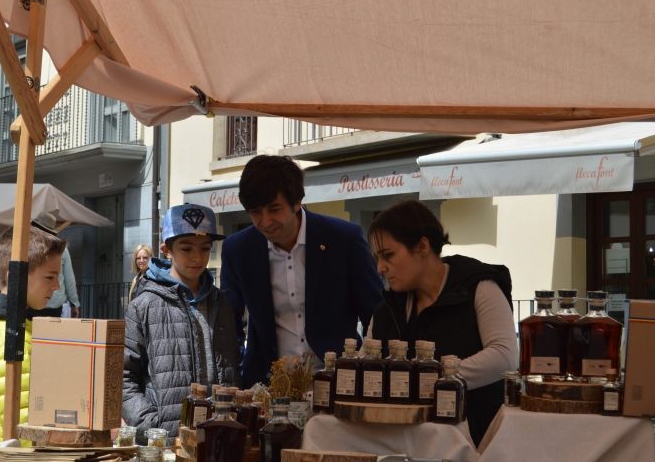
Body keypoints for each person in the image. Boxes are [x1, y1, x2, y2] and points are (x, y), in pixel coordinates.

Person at [220, 155, 384, 387]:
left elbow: (376, 316)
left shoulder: (343, 239)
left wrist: (366, 370)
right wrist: (236, 376)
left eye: (274, 209)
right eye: (255, 212)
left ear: (297, 202)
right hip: (267, 387)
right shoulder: (237, 249)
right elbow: (228, 325)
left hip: (339, 382)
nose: (265, 222)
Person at [366, 199, 517, 447]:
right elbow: (365, 366)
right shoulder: (386, 312)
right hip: (400, 442)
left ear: (422, 246)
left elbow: (504, 356)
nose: (381, 267)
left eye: (388, 255)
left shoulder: (479, 288)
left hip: (480, 442)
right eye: (378, 258)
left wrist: (430, 380)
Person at [123, 204, 241, 442]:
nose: (197, 257)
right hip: (167, 443)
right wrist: (152, 426)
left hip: (221, 438)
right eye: (186, 249)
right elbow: (124, 378)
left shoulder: (223, 303)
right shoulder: (144, 305)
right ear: (167, 250)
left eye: (205, 248)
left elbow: (232, 370)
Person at [0, 225, 66, 450]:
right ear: (15, 277)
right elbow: (23, 428)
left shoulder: (5, 325)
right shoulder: (9, 334)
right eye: (50, 277)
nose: (57, 285)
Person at [28, 212, 80, 318]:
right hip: (55, 303)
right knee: (52, 334)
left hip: (32, 301)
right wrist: (74, 303)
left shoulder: (27, 247)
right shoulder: (62, 250)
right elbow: (69, 278)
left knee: (32, 333)